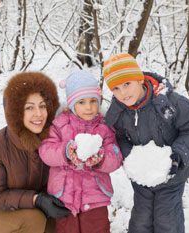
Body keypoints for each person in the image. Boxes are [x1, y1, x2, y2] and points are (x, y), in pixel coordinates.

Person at [102, 53, 189, 233]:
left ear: (139, 80)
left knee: (167, 220)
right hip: (142, 177)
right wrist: (130, 156)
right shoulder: (119, 112)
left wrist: (177, 156)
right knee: (140, 221)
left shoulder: (168, 102)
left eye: (127, 84)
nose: (123, 93)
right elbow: (118, 136)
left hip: (172, 175)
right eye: (116, 88)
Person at [0, 72, 71, 233]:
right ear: (16, 112)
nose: (38, 114)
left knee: (62, 224)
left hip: (35, 203)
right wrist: (36, 200)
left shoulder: (52, 137)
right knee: (34, 220)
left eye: (42, 106)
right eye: (29, 107)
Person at [39, 70, 123, 233]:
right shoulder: (60, 125)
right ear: (72, 104)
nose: (89, 107)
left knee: (97, 228)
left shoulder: (104, 128)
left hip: (95, 197)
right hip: (64, 197)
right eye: (82, 102)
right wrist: (65, 152)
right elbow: (46, 151)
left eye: (93, 101)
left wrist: (101, 159)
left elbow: (116, 157)